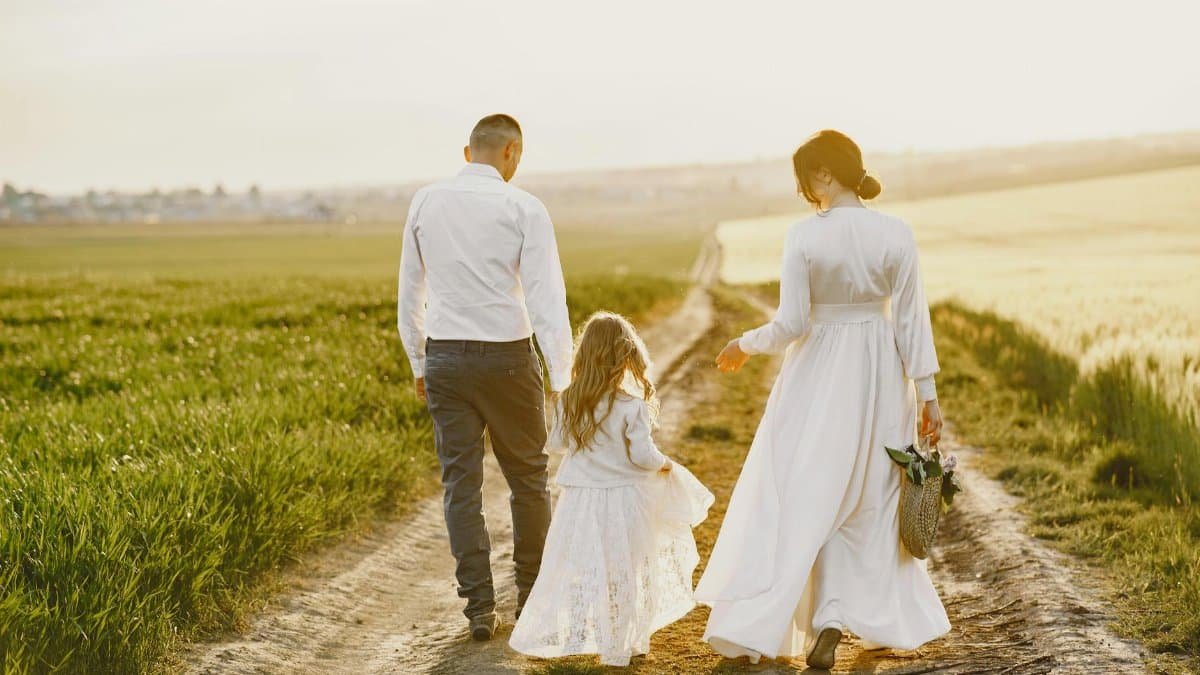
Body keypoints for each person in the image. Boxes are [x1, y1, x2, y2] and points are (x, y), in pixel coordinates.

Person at [695, 129, 950, 669]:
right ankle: (836, 617)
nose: (805, 192)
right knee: (873, 498)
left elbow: (791, 324)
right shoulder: (896, 234)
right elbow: (911, 323)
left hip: (817, 373)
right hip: (882, 371)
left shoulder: (805, 237)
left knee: (807, 491)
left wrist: (744, 343)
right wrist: (928, 396)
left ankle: (777, 618)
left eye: (805, 180)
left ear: (824, 174)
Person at [397, 114, 573, 641]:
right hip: (509, 358)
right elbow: (546, 299)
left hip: (446, 357)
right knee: (528, 479)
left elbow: (410, 293)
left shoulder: (425, 201)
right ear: (511, 152)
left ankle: (478, 607)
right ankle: (531, 598)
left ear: (468, 151)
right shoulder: (525, 207)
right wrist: (561, 376)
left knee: (461, 483)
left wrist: (420, 363)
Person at [509, 312, 714, 667]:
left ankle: (577, 634)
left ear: (584, 354)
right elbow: (642, 456)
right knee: (625, 570)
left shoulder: (568, 400)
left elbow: (556, 444)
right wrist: (666, 464)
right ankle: (621, 643)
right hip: (625, 499)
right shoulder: (630, 405)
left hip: (581, 501)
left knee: (582, 567)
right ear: (624, 357)